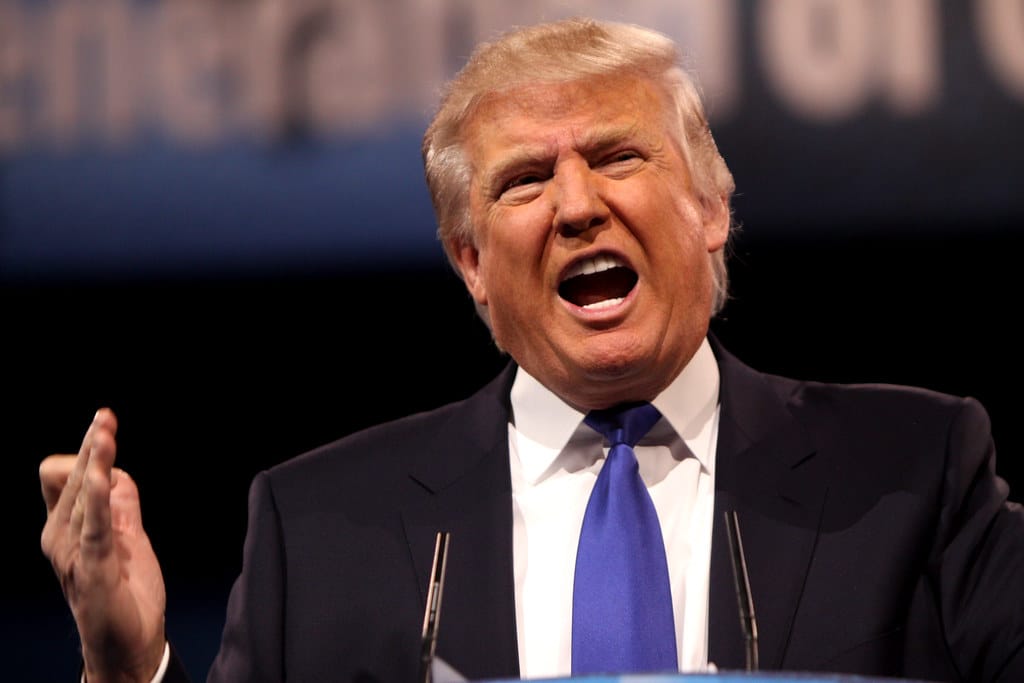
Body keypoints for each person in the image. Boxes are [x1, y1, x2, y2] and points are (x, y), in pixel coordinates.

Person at [39, 16, 1024, 683]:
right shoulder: (319, 526)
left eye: (616, 156)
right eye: (522, 180)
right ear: (469, 259)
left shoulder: (911, 469)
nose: (577, 204)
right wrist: (130, 669)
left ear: (711, 208)